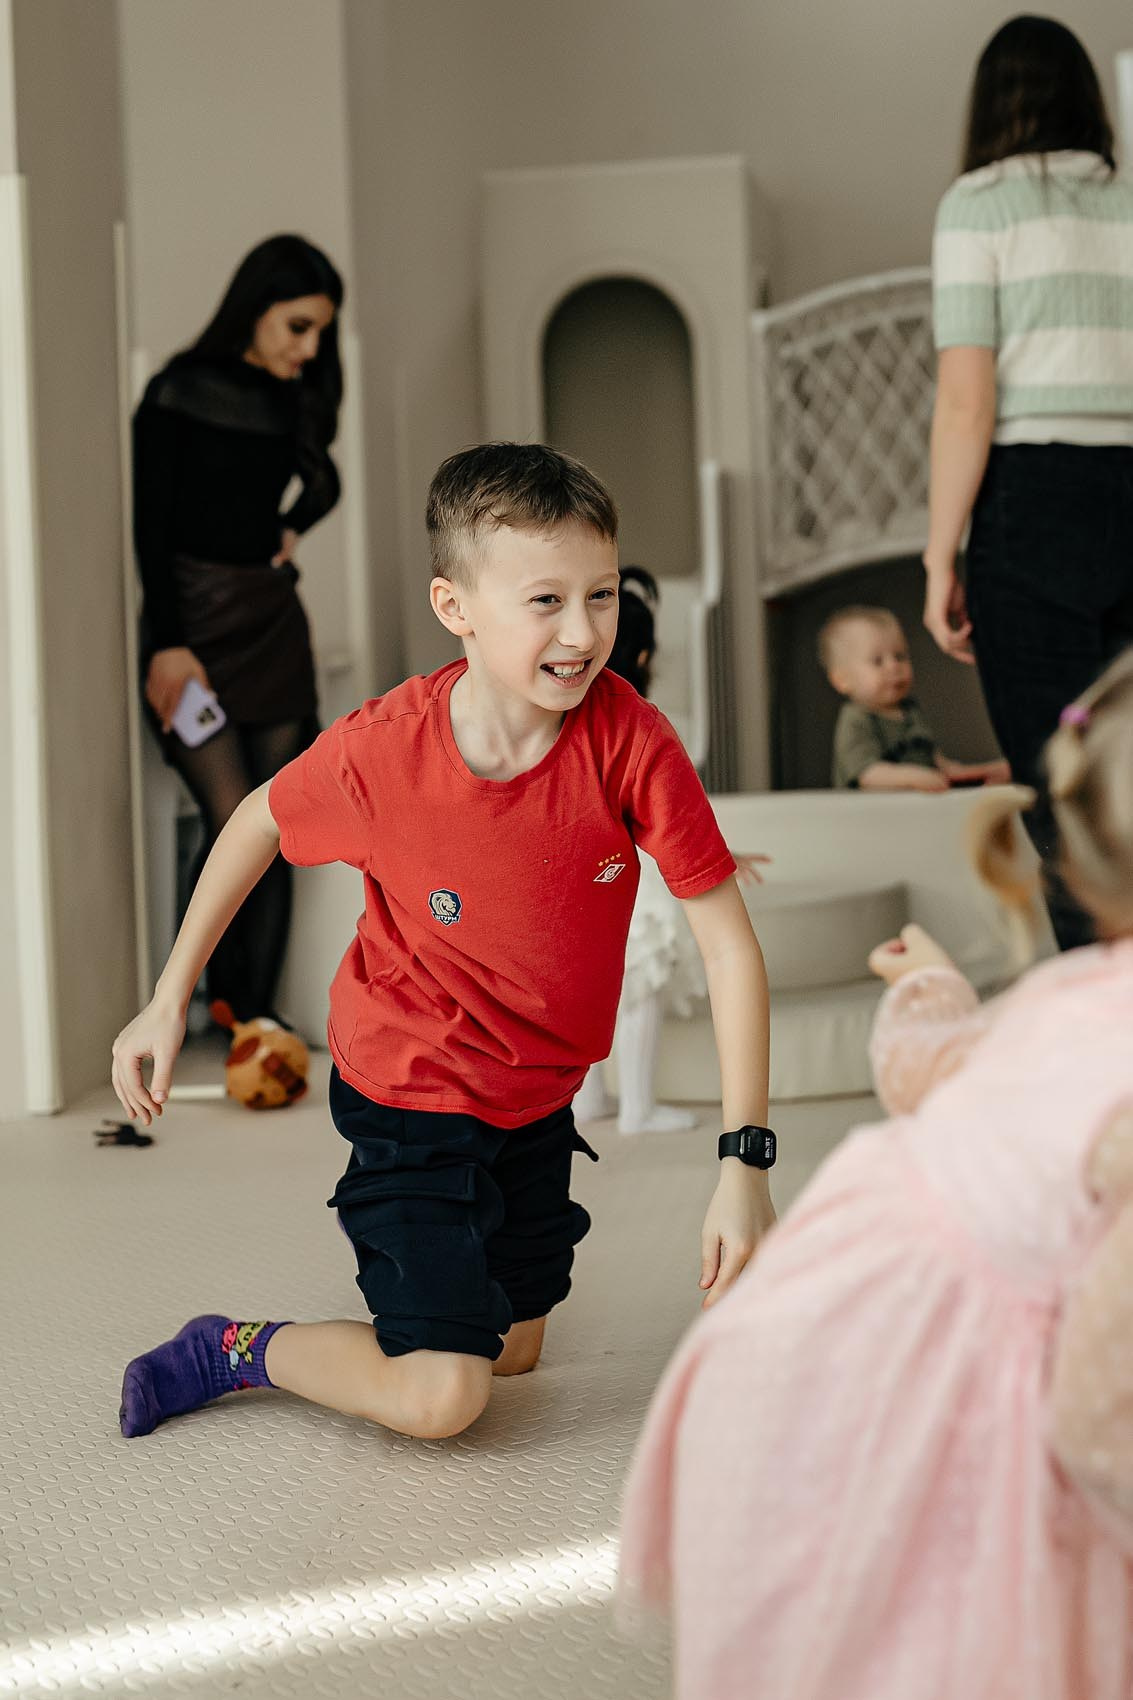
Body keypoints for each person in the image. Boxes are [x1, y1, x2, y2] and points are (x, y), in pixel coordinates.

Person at [110, 442, 775, 1445]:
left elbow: (727, 945)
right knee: (444, 1393)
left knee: (512, 1349)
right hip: (409, 1087)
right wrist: (168, 995)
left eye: (599, 595)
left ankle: (441, 1291)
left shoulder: (631, 739)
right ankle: (233, 1343)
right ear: (454, 606)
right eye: (543, 601)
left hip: (534, 1094)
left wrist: (743, 1162)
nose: (583, 631)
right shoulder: (385, 751)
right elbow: (253, 817)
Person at [619, 647, 1133, 1700]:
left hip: (796, 1352)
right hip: (912, 1408)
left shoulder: (1064, 987)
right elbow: (1095, 1410)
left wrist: (933, 985)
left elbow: (917, 1068)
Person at [924, 15, 1133, 948]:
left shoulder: (976, 204)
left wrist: (939, 557)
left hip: (1028, 502)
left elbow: (966, 404)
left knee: (1056, 788)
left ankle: (1096, 1048)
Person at [135, 233, 345, 1021]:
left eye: (320, 330)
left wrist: (288, 528)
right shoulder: (175, 392)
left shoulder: (295, 398)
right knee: (233, 814)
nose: (310, 346)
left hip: (270, 624)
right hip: (191, 627)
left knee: (282, 818)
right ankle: (193, 999)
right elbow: (150, 532)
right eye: (298, 327)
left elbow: (324, 484)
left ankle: (251, 1016)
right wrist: (165, 642)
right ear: (254, 312)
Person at [575, 566, 767, 1133]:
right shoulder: (641, 728)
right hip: (634, 888)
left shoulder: (574, 725)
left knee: (596, 992)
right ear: (641, 659)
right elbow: (666, 818)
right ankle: (636, 1105)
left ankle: (592, 1100)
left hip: (587, 884)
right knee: (640, 989)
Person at [820, 605, 1009, 790]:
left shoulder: (910, 711)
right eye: (877, 661)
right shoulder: (857, 718)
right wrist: (914, 778)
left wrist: (973, 773)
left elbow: (933, 761)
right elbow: (867, 774)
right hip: (869, 816)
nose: (894, 667)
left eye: (900, 656)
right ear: (842, 680)